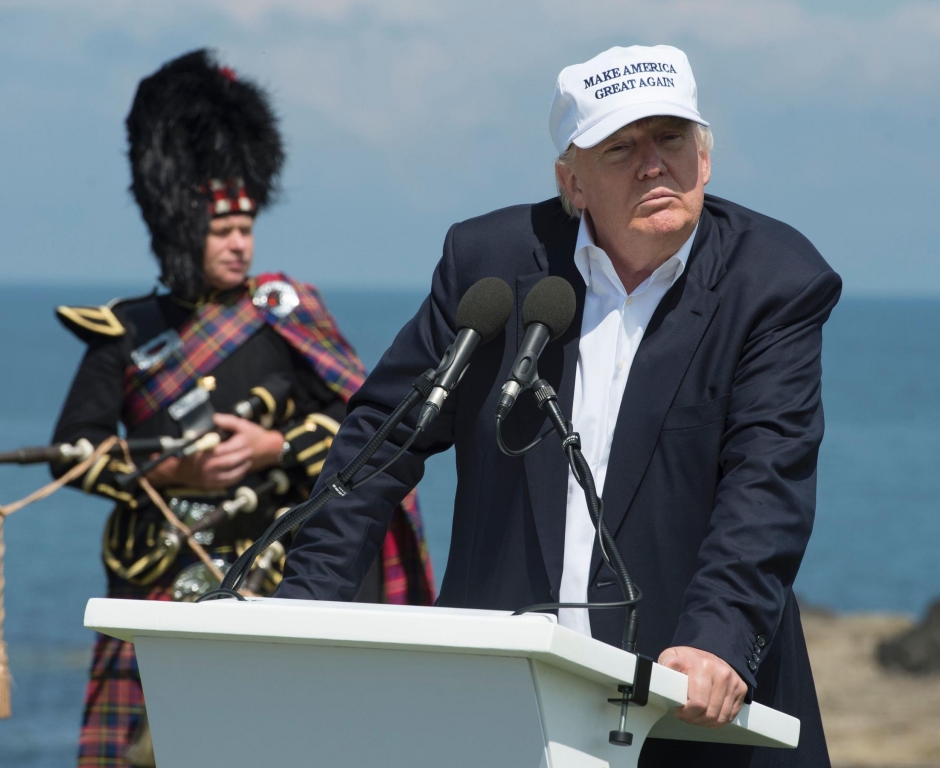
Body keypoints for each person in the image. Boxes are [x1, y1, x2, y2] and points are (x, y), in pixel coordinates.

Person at [275, 44, 841, 767]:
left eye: (671, 139)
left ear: (705, 159)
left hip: (694, 714)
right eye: (621, 147)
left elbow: (767, 481)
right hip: (506, 702)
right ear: (572, 183)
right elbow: (381, 441)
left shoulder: (777, 280)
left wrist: (717, 637)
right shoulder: (489, 265)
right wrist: (303, 604)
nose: (653, 165)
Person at [51, 50, 434, 768]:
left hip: (269, 577)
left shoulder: (284, 318)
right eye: (222, 229)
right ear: (178, 227)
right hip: (156, 584)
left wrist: (273, 449)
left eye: (247, 226)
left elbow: (364, 433)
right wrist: (168, 472)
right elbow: (74, 451)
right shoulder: (125, 330)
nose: (240, 243)